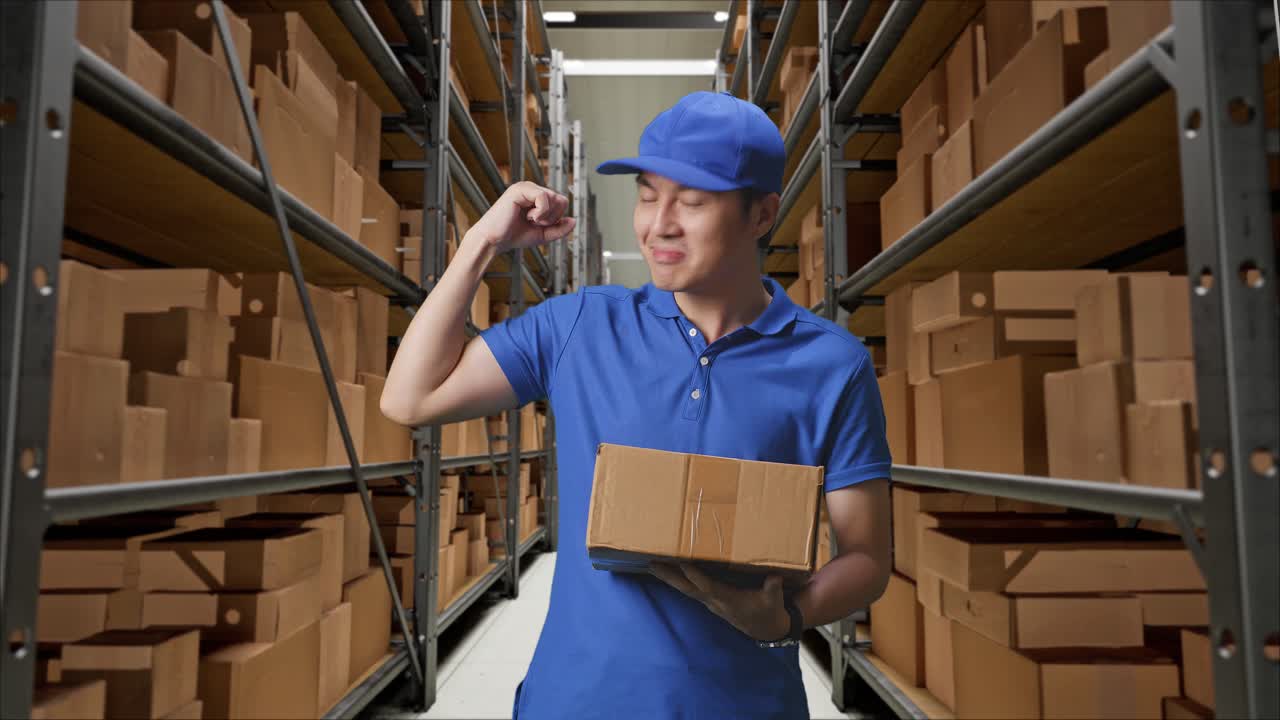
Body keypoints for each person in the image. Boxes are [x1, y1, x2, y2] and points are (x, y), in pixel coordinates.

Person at [381, 90, 892, 720]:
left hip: (743, 706)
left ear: (762, 214)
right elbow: (411, 397)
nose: (660, 224)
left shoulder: (831, 364)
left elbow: (867, 556)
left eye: (693, 201)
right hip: (574, 702)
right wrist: (482, 243)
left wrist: (788, 616)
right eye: (648, 194)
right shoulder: (579, 326)